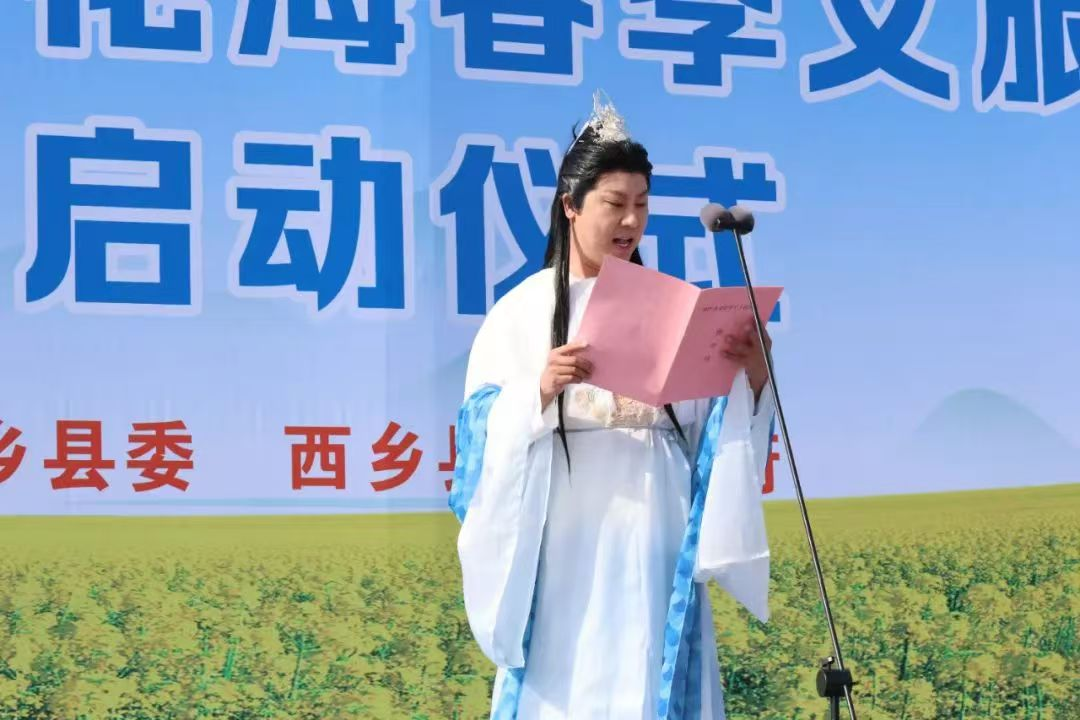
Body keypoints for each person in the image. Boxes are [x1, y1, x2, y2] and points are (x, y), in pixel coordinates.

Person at [449, 93, 777, 719]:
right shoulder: (522, 311)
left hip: (658, 532)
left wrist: (752, 376)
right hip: (569, 543)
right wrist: (538, 390)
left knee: (651, 668)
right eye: (614, 203)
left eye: (642, 205)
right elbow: (477, 435)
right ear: (570, 206)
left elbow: (710, 436)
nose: (631, 221)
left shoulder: (674, 304)